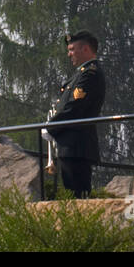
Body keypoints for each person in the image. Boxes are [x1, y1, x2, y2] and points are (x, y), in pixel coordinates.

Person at [45, 30, 105, 198]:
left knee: (77, 196)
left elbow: (74, 108)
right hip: (71, 145)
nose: (68, 54)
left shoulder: (90, 74)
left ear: (85, 49)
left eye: (72, 49)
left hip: (78, 145)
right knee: (72, 195)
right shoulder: (81, 74)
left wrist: (51, 127)